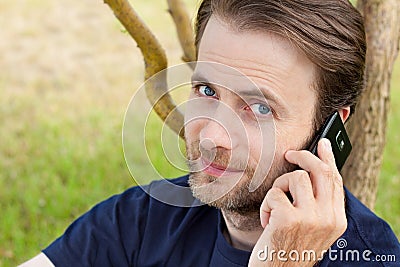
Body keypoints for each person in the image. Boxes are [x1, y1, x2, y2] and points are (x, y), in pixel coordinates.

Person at [21, 0, 400, 266]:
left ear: (328, 129)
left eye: (259, 108)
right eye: (207, 91)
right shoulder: (144, 220)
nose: (210, 136)